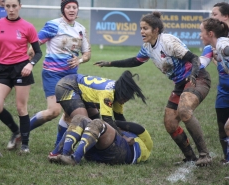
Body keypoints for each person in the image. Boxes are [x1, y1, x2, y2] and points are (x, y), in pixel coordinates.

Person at [94, 11, 212, 167]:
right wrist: (110, 63)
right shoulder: (148, 47)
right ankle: (190, 157)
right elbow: (136, 61)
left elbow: (194, 58)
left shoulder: (168, 42)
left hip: (197, 78)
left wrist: (193, 75)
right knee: (170, 123)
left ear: (156, 30)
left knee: (184, 111)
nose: (142, 32)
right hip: (180, 84)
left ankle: (205, 155)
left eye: (145, 28)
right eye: (141, 28)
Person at [28, 0, 91, 146]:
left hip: (70, 78)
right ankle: (22, 132)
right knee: (53, 111)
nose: (71, 10)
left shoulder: (81, 29)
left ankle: (58, 147)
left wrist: (80, 60)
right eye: (68, 7)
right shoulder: (53, 25)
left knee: (69, 114)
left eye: (74, 7)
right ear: (63, 10)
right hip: (52, 74)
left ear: (77, 10)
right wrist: (29, 56)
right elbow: (35, 44)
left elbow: (87, 54)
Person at [48, 70, 147, 159]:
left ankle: (72, 148)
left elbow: (119, 118)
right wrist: (123, 138)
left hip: (78, 89)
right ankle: (58, 152)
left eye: (127, 99)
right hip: (68, 86)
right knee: (82, 122)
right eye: (124, 98)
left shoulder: (118, 94)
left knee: (94, 124)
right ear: (121, 93)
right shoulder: (108, 94)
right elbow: (107, 120)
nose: (124, 101)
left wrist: (125, 132)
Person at [0, 0, 42, 154]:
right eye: (8, 6)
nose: (11, 9)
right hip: (3, 69)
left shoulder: (28, 26)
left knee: (21, 108)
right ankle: (15, 130)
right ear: (4, 7)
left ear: (19, 6)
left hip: (21, 69)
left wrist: (30, 64)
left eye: (14, 6)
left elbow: (38, 52)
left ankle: (25, 145)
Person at [48, 115, 153, 165]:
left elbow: (139, 128)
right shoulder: (129, 138)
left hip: (120, 153)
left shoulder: (144, 144)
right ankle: (63, 155)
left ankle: (70, 157)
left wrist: (113, 123)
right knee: (79, 118)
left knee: (97, 123)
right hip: (97, 151)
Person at [200, 17, 229, 164]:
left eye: (201, 31)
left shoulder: (222, 44)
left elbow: (226, 49)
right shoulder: (213, 47)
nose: (200, 35)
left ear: (210, 33)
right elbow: (201, 63)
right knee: (224, 127)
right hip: (224, 92)